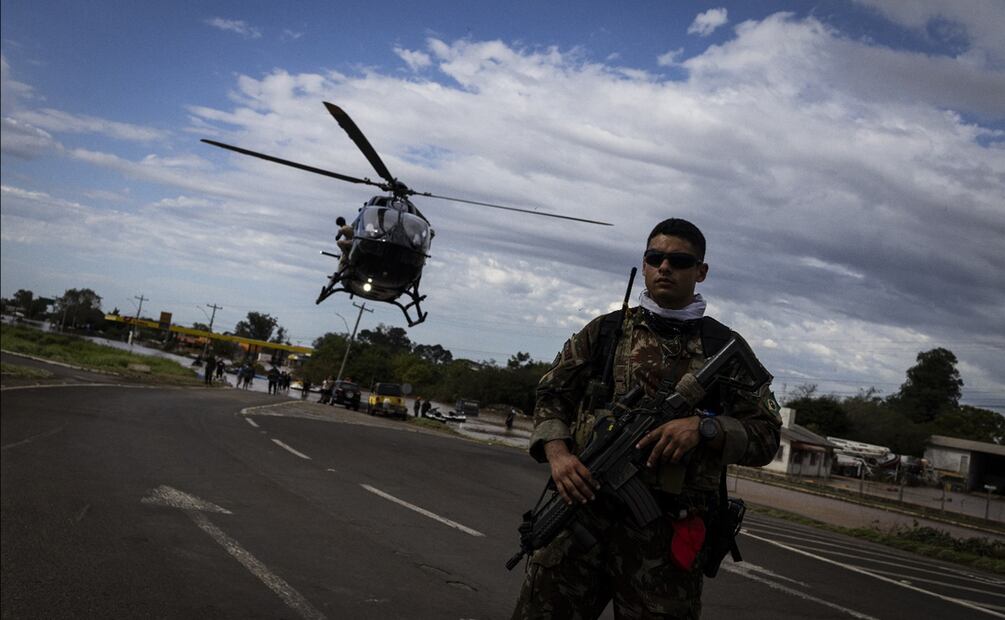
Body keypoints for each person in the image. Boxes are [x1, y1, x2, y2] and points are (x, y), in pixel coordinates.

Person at [511, 218, 782, 619]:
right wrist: (558, 455)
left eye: (679, 260)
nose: (664, 267)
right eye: (655, 258)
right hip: (579, 521)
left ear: (701, 272)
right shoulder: (606, 331)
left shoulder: (722, 347)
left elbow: (766, 437)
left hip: (663, 544)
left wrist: (705, 428)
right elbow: (552, 395)